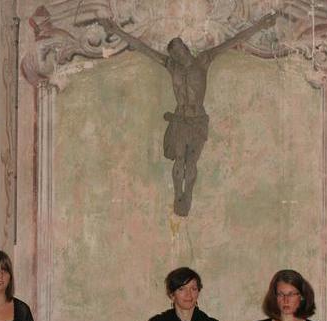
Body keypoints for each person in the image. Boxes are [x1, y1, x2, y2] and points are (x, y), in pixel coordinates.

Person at [97, 12, 276, 215]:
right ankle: (177, 195)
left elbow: (233, 41)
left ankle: (188, 195)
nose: (178, 56)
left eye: (180, 51)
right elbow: (143, 48)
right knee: (179, 160)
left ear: (186, 48)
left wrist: (261, 25)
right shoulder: (172, 66)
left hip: (197, 120)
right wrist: (116, 30)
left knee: (191, 163)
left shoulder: (203, 61)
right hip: (180, 120)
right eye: (174, 54)